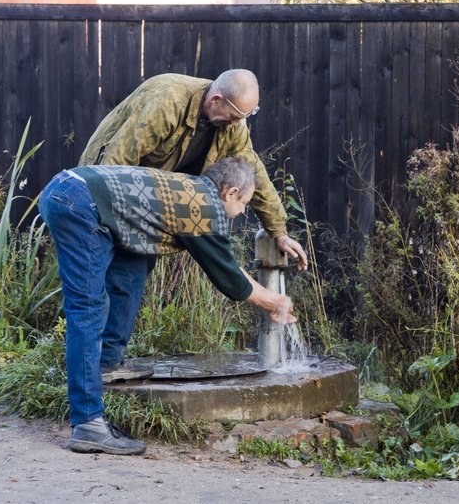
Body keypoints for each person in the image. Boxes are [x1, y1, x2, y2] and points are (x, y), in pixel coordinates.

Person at [38, 157, 296, 455]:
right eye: (244, 203)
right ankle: (88, 424)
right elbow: (229, 276)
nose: (240, 213)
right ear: (230, 192)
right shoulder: (204, 206)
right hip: (77, 202)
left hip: (76, 193)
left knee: (131, 274)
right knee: (87, 308)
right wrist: (273, 300)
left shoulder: (192, 189)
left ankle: (106, 364)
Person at [78, 69, 308, 378]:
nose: (238, 123)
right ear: (216, 99)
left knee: (132, 271)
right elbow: (118, 159)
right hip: (105, 195)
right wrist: (109, 213)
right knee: (103, 275)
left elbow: (254, 173)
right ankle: (87, 369)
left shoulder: (232, 126)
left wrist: (278, 231)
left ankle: (105, 364)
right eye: (235, 115)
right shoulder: (167, 100)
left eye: (246, 116)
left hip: (154, 204)